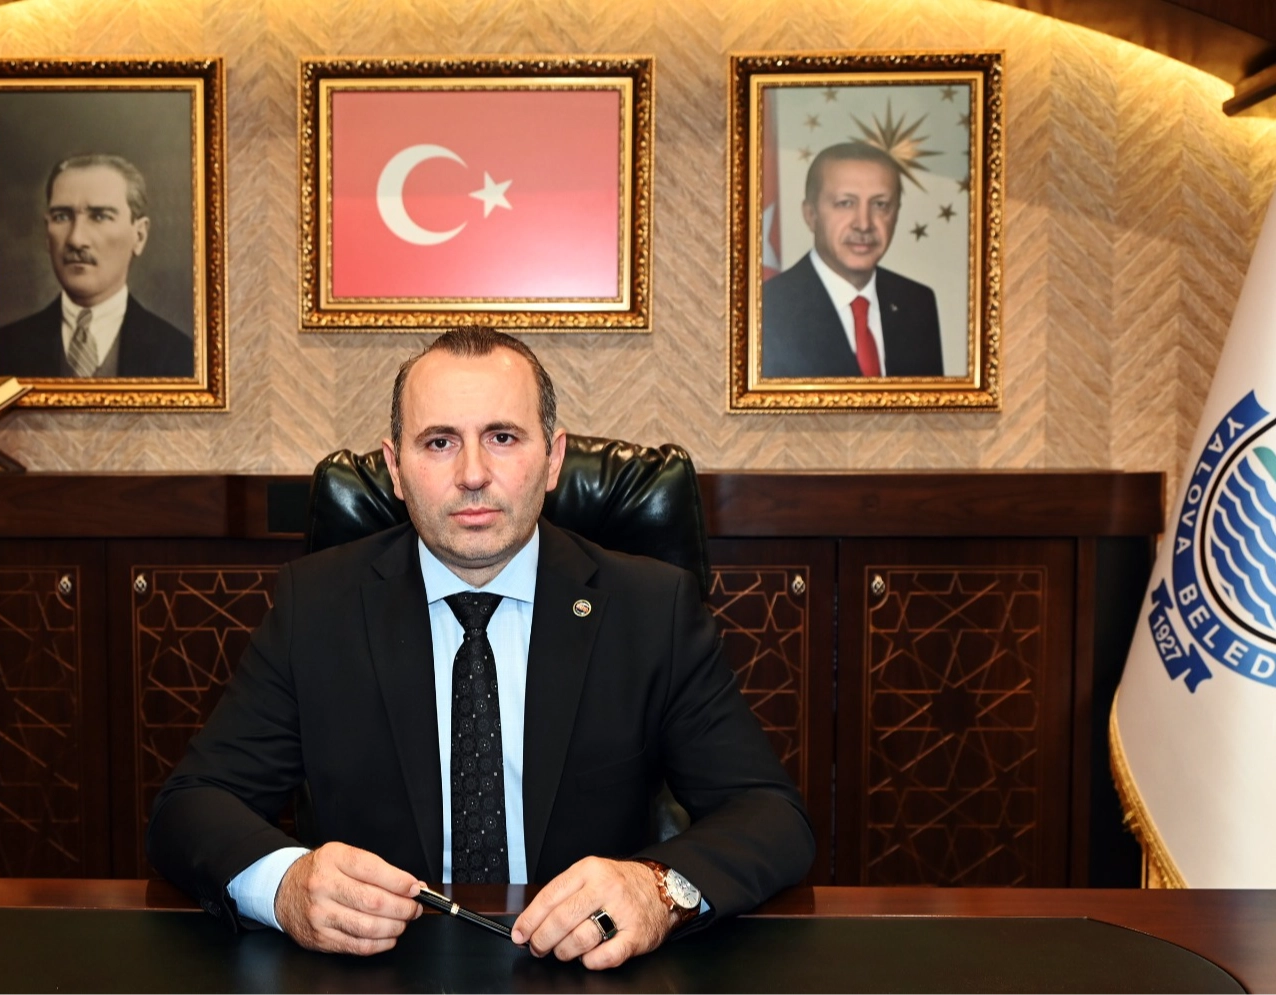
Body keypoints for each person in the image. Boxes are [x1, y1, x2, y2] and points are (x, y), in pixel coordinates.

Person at [147, 327, 814, 970]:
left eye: (502, 437)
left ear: (553, 458)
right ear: (395, 468)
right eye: (439, 442)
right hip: (381, 968)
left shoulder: (650, 608)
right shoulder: (317, 607)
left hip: (585, 967)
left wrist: (659, 889)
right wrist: (286, 885)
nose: (472, 474)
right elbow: (190, 805)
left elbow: (770, 815)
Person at [0, 154, 193, 378]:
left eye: (100, 217)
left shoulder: (182, 356)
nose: (76, 239)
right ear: (47, 234)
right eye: (62, 217)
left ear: (139, 236)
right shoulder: (2, 351)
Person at [761, 142, 944, 379]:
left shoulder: (917, 303)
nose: (864, 224)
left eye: (880, 205)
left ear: (896, 214)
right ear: (811, 215)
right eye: (845, 203)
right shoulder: (769, 308)